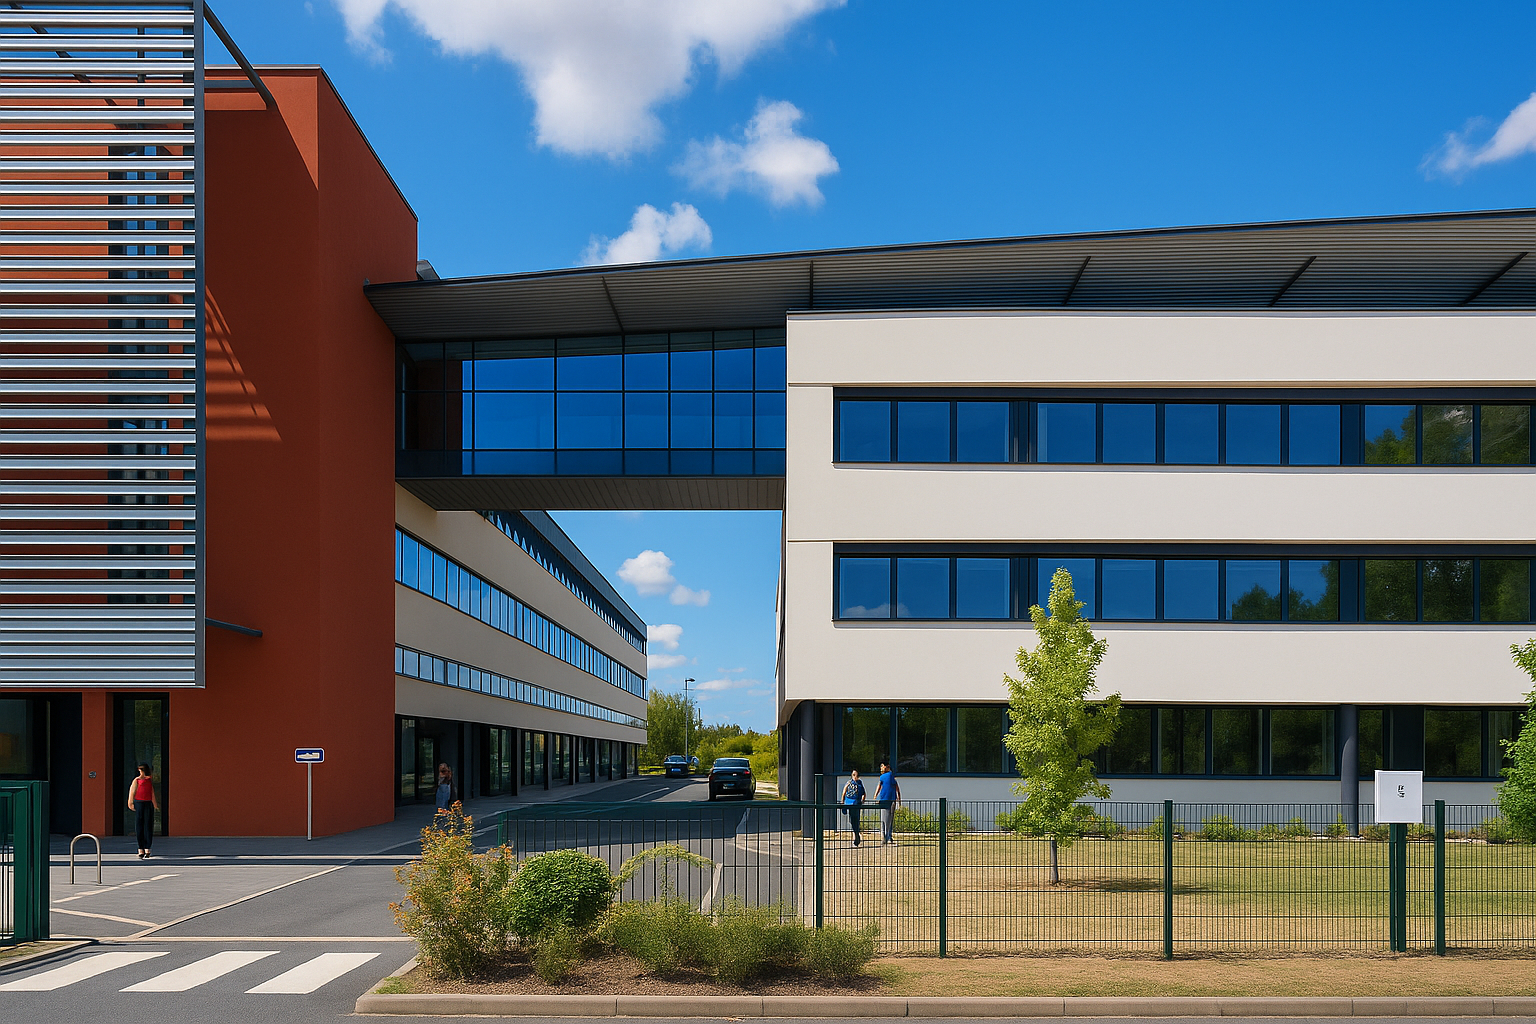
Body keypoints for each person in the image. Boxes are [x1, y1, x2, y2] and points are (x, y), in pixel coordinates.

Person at [126, 762, 159, 859]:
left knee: (148, 825)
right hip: (139, 803)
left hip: (148, 803)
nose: (140, 772)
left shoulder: (149, 780)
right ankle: (141, 848)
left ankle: (147, 848)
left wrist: (155, 804)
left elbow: (151, 792)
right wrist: (130, 802)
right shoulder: (137, 780)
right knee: (139, 825)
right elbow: (132, 791)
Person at [877, 760, 902, 845]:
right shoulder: (884, 777)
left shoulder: (889, 775)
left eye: (882, 766)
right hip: (886, 799)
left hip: (889, 799)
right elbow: (880, 786)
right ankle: (886, 836)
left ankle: (887, 836)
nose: (881, 768)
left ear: (886, 767)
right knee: (887, 819)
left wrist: (898, 798)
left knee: (887, 819)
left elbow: (896, 787)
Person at [841, 769, 867, 847]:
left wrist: (862, 800)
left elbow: (864, 793)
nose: (855, 777)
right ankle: (856, 836)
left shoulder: (859, 784)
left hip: (856, 803)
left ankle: (856, 837)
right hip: (849, 802)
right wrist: (842, 801)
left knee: (856, 820)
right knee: (852, 820)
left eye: (856, 775)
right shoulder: (849, 783)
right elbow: (844, 792)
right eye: (853, 775)